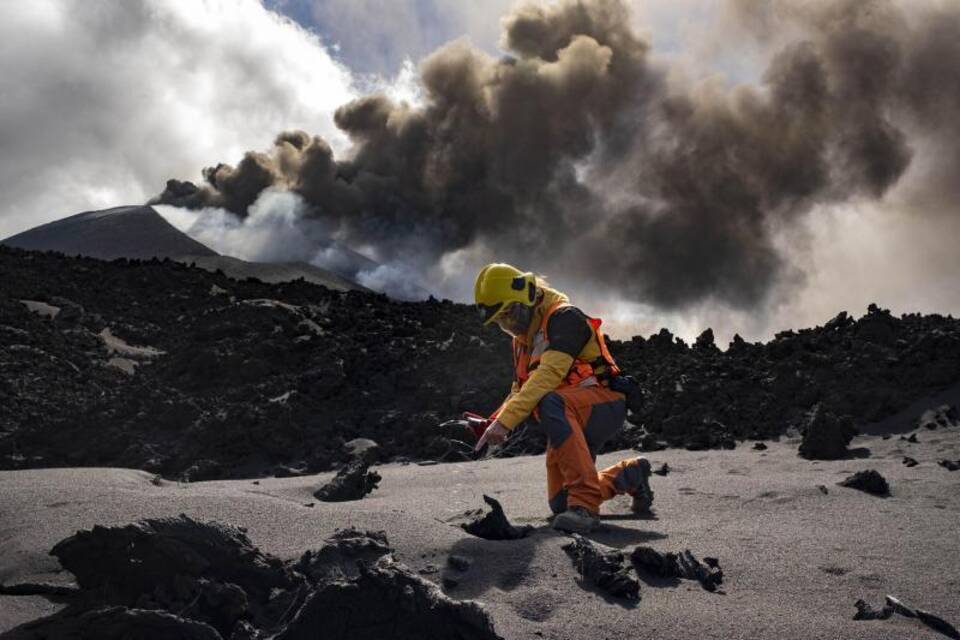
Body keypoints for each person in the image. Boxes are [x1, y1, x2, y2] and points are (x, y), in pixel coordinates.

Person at [473, 263, 653, 534]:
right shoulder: (523, 339)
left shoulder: (564, 318)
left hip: (604, 405)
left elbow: (547, 376)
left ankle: (586, 510)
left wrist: (507, 422)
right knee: (560, 504)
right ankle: (630, 474)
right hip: (569, 415)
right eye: (500, 321)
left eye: (508, 314)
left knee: (550, 400)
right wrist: (492, 422)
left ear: (526, 299)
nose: (506, 325)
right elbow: (520, 387)